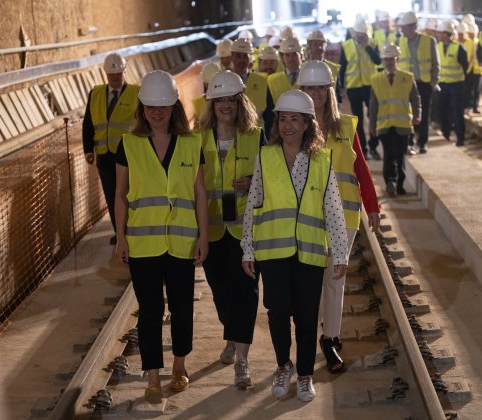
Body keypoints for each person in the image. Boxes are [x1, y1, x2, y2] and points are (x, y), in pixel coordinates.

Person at [241, 90, 348, 402]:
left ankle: (304, 375)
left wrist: (340, 252)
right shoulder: (267, 156)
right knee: (277, 313)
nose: (288, 126)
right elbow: (254, 203)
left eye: (295, 120)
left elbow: (333, 208)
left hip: (310, 251)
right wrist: (248, 247)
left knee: (305, 315)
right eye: (283, 119)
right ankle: (282, 365)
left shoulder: (321, 160)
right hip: (273, 251)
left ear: (307, 124)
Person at [113, 70, 208, 403]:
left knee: (182, 308)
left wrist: (204, 237)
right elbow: (120, 194)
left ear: (174, 107)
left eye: (163, 106)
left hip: (182, 243)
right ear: (142, 108)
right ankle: (152, 375)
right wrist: (121, 238)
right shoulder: (129, 144)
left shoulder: (192, 143)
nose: (157, 112)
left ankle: (179, 367)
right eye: (151, 106)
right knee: (150, 311)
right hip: (143, 244)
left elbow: (199, 194)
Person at [298, 61, 380, 373]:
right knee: (314, 279)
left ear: (329, 91)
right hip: (309, 216)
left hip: (344, 214)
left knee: (335, 277)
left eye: (321, 88)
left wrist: (372, 206)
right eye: (310, 88)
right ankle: (320, 327)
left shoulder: (346, 126)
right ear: (302, 91)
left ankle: (330, 338)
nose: (316, 93)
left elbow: (361, 168)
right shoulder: (295, 127)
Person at [199, 71, 265, 389]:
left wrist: (254, 183)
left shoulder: (256, 136)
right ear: (211, 104)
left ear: (241, 103)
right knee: (220, 291)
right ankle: (232, 331)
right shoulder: (195, 139)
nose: (225, 105)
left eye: (231, 100)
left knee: (246, 292)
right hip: (211, 230)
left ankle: (242, 358)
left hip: (246, 231)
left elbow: (273, 178)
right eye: (220, 100)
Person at [82, 53, 139, 245]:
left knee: (128, 193)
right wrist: (88, 149)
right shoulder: (96, 93)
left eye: (118, 74)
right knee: (111, 195)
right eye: (111, 75)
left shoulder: (135, 93)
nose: (115, 78)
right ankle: (119, 232)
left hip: (127, 155)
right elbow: (88, 122)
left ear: (124, 72)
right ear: (106, 74)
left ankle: (132, 229)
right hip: (104, 156)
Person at [370, 45, 421, 197]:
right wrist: (372, 125)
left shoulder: (407, 77)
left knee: (400, 155)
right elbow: (373, 104)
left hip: (403, 124)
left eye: (392, 59)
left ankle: (399, 185)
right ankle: (391, 181)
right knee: (390, 153)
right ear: (382, 61)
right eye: (386, 59)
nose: (389, 62)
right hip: (385, 125)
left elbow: (415, 99)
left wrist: (418, 115)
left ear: (397, 59)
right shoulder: (376, 79)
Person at [340, 15, 382, 159]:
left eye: (364, 34)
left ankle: (374, 146)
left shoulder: (373, 43)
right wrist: (341, 88)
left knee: (373, 118)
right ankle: (363, 150)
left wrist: (368, 46)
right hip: (354, 88)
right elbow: (342, 69)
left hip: (371, 86)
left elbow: (378, 61)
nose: (361, 36)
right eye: (359, 34)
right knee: (358, 120)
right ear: (354, 32)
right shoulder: (346, 46)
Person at [398, 11, 439, 154]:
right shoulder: (401, 42)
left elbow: (435, 64)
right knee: (408, 114)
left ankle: (423, 143)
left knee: (424, 114)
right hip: (406, 84)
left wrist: (432, 83)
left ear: (412, 27)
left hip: (424, 83)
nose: (401, 30)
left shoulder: (429, 41)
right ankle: (410, 142)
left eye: (403, 27)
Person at [437, 20, 468, 146]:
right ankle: (446, 134)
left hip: (456, 85)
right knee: (443, 111)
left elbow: (465, 67)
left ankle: (460, 137)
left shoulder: (459, 48)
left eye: (441, 33)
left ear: (447, 34)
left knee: (457, 112)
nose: (439, 35)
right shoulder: (437, 47)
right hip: (442, 85)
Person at [230, 38, 270, 128]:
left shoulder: (262, 80)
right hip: (232, 132)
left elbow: (268, 113)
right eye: (238, 56)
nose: (241, 60)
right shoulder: (225, 80)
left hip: (257, 132)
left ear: (250, 57)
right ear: (231, 56)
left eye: (245, 56)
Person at [191, 62, 219, 129]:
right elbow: (196, 128)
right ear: (205, 83)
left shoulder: (227, 99)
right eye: (209, 84)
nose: (211, 87)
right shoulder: (198, 103)